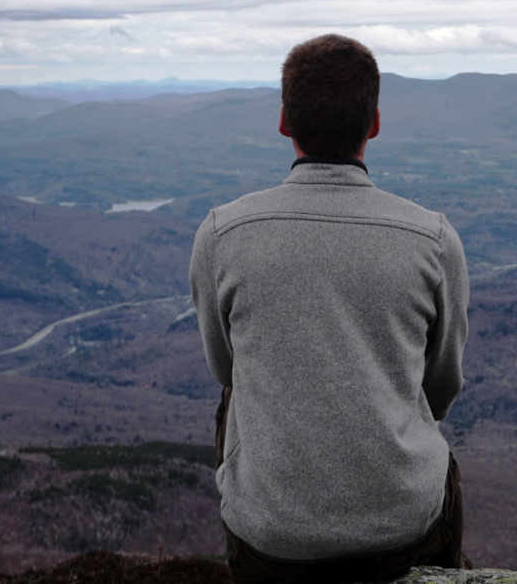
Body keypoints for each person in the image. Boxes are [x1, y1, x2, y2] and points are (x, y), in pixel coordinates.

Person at [189, 34, 471, 583]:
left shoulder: (222, 234)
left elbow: (225, 370)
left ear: (284, 122)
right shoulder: (434, 240)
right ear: (374, 123)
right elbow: (441, 388)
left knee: (237, 393)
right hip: (402, 534)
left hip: (270, 542)